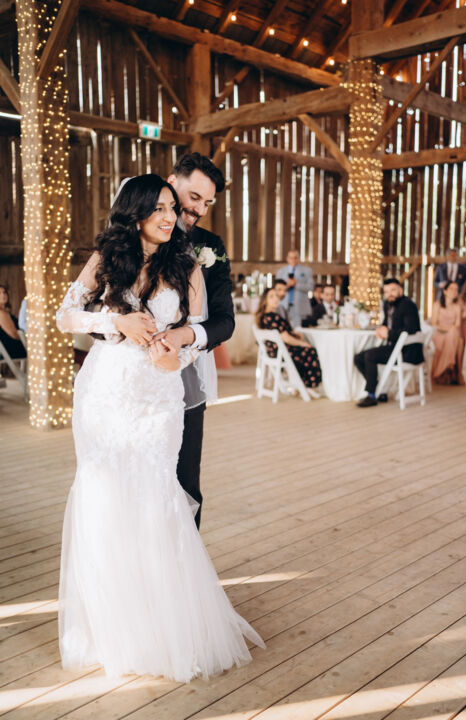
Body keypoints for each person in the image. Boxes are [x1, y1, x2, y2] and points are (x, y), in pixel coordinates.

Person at [56, 174, 264, 681]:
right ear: (136, 214)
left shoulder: (187, 264)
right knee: (104, 494)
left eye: (174, 208)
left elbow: (197, 329)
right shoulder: (107, 259)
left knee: (156, 493)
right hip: (105, 393)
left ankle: (162, 621)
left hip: (159, 396)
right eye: (161, 209)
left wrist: (179, 351)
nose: (172, 217)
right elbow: (66, 316)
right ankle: (111, 625)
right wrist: (116, 322)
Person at [146, 153, 234, 530]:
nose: (199, 209)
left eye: (207, 203)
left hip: (185, 384)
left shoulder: (210, 246)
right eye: (194, 197)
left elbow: (225, 322)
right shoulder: (135, 234)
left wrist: (186, 336)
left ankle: (185, 562)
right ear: (171, 182)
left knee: (185, 484)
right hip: (133, 382)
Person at [354, 278, 423, 407]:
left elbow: (411, 329)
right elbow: (387, 323)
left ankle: (371, 394)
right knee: (358, 358)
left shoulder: (408, 305)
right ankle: (376, 386)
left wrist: (389, 333)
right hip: (395, 348)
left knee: (370, 356)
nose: (389, 294)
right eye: (386, 291)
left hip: (408, 352)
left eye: (393, 290)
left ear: (400, 290)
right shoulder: (387, 304)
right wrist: (381, 329)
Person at [256, 287, 321, 397]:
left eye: (277, 296)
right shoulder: (272, 317)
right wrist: (302, 343)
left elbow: (282, 333)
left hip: (274, 352)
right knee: (310, 350)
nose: (276, 299)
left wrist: (293, 335)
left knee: (304, 349)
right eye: (271, 297)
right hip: (282, 352)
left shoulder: (264, 317)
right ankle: (309, 385)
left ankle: (300, 384)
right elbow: (285, 338)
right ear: (265, 300)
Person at [431, 280, 463, 384]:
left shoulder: (457, 307)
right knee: (454, 335)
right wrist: (449, 330)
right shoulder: (437, 305)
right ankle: (450, 365)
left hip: (452, 334)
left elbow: (458, 324)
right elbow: (434, 324)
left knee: (455, 336)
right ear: (445, 291)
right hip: (439, 333)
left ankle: (446, 368)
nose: (454, 291)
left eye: (456, 290)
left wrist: (451, 331)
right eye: (451, 289)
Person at [275, 249, 314, 328]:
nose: (293, 260)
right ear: (287, 258)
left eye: (295, 258)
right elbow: (276, 288)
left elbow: (311, 287)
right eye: (291, 258)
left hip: (300, 306)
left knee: (299, 329)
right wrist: (286, 286)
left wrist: (296, 284)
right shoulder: (281, 272)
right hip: (284, 305)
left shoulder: (307, 271)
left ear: (298, 258)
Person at [0, 284, 27, 387]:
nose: (3, 295)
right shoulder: (1, 314)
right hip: (10, 350)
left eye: (4, 292)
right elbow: (14, 335)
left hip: (12, 348)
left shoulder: (5, 312)